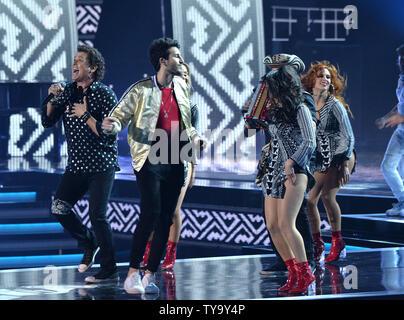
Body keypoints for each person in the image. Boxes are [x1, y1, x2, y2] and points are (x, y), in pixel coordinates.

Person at [102, 38, 201, 295]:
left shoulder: (181, 86)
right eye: (176, 56)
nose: (180, 61)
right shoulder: (141, 89)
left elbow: (187, 125)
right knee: (151, 213)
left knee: (166, 218)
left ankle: (150, 274)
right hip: (150, 154)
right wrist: (112, 126)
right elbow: (120, 115)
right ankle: (133, 272)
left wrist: (194, 149)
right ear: (163, 61)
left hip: (175, 154)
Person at [41, 45, 119, 283]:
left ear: (92, 68)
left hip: (101, 165)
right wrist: (53, 97)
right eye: (74, 60)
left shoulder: (105, 95)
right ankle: (89, 242)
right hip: (77, 166)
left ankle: (109, 268)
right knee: (59, 209)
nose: (74, 65)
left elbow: (108, 134)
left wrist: (86, 115)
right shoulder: (70, 91)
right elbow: (47, 120)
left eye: (80, 61)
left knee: (98, 216)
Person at [244, 54, 317, 275]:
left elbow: (309, 135)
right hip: (275, 162)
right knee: (274, 222)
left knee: (293, 217)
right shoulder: (271, 104)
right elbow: (251, 129)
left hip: (296, 162)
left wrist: (294, 161)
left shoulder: (303, 101)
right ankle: (288, 264)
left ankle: (307, 263)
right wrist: (252, 113)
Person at [140, 62, 199, 270]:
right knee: (155, 209)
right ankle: (149, 250)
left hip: (181, 160)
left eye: (184, 76)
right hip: (158, 159)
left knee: (173, 209)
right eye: (177, 75)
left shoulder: (190, 106)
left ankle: (171, 252)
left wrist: (193, 170)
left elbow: (194, 139)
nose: (180, 78)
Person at [301, 61, 355, 263]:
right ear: (312, 79)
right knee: (309, 201)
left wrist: (344, 162)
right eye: (321, 76)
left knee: (327, 197)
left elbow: (348, 136)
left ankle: (338, 241)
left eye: (328, 77)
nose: (325, 79)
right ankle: (317, 243)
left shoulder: (334, 104)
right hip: (321, 156)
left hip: (341, 154)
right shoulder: (306, 103)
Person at [375, 44, 404, 217]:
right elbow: (400, 104)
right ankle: (402, 202)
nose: (398, 61)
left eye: (401, 58)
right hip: (401, 131)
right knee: (395, 168)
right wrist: (387, 117)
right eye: (399, 58)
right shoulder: (402, 78)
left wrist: (399, 118)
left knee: (391, 167)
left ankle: (402, 201)